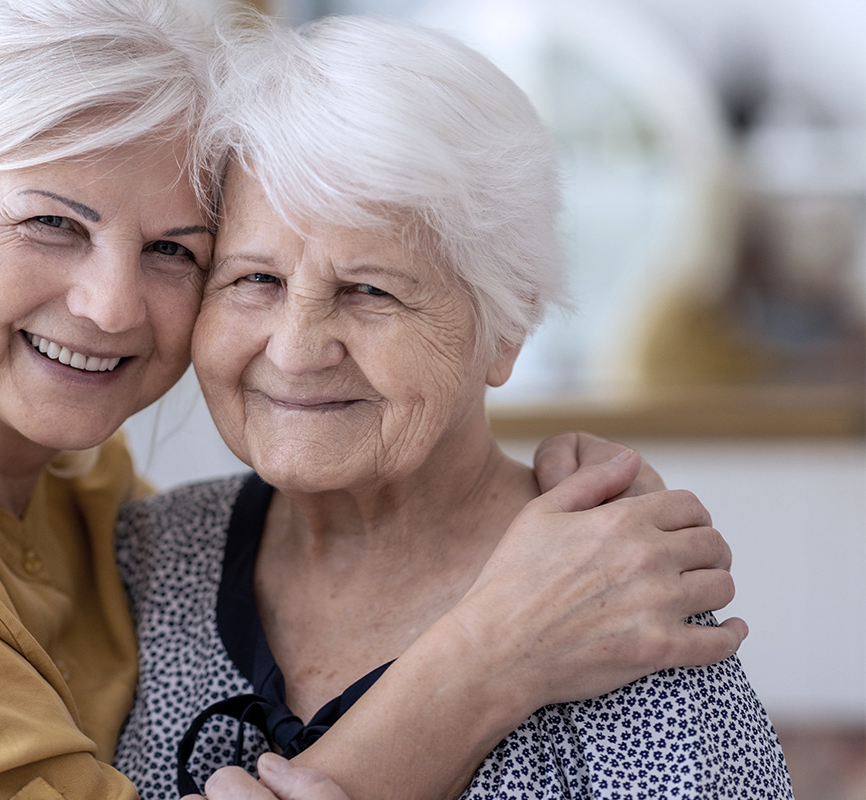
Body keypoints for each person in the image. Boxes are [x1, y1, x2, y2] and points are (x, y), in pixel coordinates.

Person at [0, 1, 744, 798]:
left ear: (507, 329)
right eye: (50, 221)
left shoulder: (92, 498)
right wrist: (490, 654)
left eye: (174, 249)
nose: (112, 306)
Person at [112, 14, 792, 800]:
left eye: (370, 290)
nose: (296, 349)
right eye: (254, 281)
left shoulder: (620, 598)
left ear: (507, 327)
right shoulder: (142, 560)